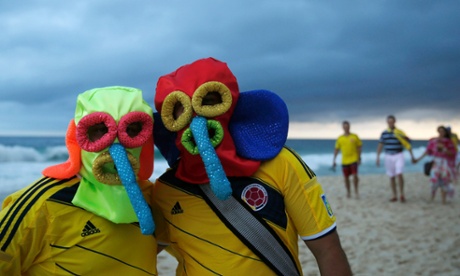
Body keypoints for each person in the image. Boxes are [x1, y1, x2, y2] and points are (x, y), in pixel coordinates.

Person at [152, 57, 352, 275]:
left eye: (208, 102)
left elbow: (327, 250)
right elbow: (134, 250)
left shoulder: (281, 165)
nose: (196, 117)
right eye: (181, 109)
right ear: (170, 119)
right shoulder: (165, 191)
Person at [0, 86, 161, 275]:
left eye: (132, 129)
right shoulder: (42, 204)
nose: (116, 143)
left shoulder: (153, 198)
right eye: (99, 130)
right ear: (78, 134)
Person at [376, 115, 415, 203]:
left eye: (392, 121)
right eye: (389, 121)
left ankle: (402, 194)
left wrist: (412, 156)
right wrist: (378, 157)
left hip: (398, 154)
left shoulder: (399, 132)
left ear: (395, 122)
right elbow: (380, 145)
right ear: (387, 122)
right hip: (388, 155)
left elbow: (407, 144)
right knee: (391, 176)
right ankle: (394, 195)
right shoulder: (384, 133)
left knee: (399, 173)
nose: (390, 123)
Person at [414, 126, 457, 204]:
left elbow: (453, 154)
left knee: (445, 181)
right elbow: (427, 151)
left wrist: (444, 149)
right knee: (434, 181)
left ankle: (443, 200)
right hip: (435, 162)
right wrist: (418, 159)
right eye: (439, 131)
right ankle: (432, 197)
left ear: (445, 132)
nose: (441, 133)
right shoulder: (433, 141)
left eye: (442, 131)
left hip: (445, 163)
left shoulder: (449, 142)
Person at [332, 121, 362, 199]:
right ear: (343, 128)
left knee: (355, 176)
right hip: (344, 161)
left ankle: (356, 191)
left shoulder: (355, 136)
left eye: (347, 126)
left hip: (354, 159)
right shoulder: (340, 138)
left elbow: (359, 147)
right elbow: (336, 149)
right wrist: (334, 160)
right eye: (344, 127)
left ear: (349, 127)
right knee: (346, 178)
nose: (346, 128)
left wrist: (359, 158)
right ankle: (348, 192)